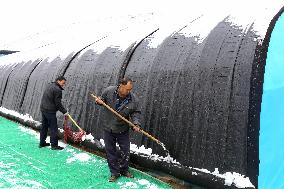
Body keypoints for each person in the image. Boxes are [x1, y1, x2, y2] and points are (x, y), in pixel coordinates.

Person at [96, 77, 141, 182]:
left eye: (130, 89)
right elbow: (101, 99)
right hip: (108, 128)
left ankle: (124, 170)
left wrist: (136, 124)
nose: (129, 91)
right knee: (110, 151)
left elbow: (135, 113)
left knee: (125, 151)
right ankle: (114, 172)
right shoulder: (109, 91)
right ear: (120, 86)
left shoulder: (133, 99)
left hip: (122, 129)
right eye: (127, 89)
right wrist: (99, 101)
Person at [39, 76, 68, 150]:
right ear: (58, 81)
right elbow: (58, 104)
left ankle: (42, 142)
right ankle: (54, 145)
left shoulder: (50, 85)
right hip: (50, 111)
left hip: (43, 108)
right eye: (63, 83)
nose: (63, 85)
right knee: (53, 128)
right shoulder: (58, 90)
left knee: (44, 126)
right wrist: (64, 112)